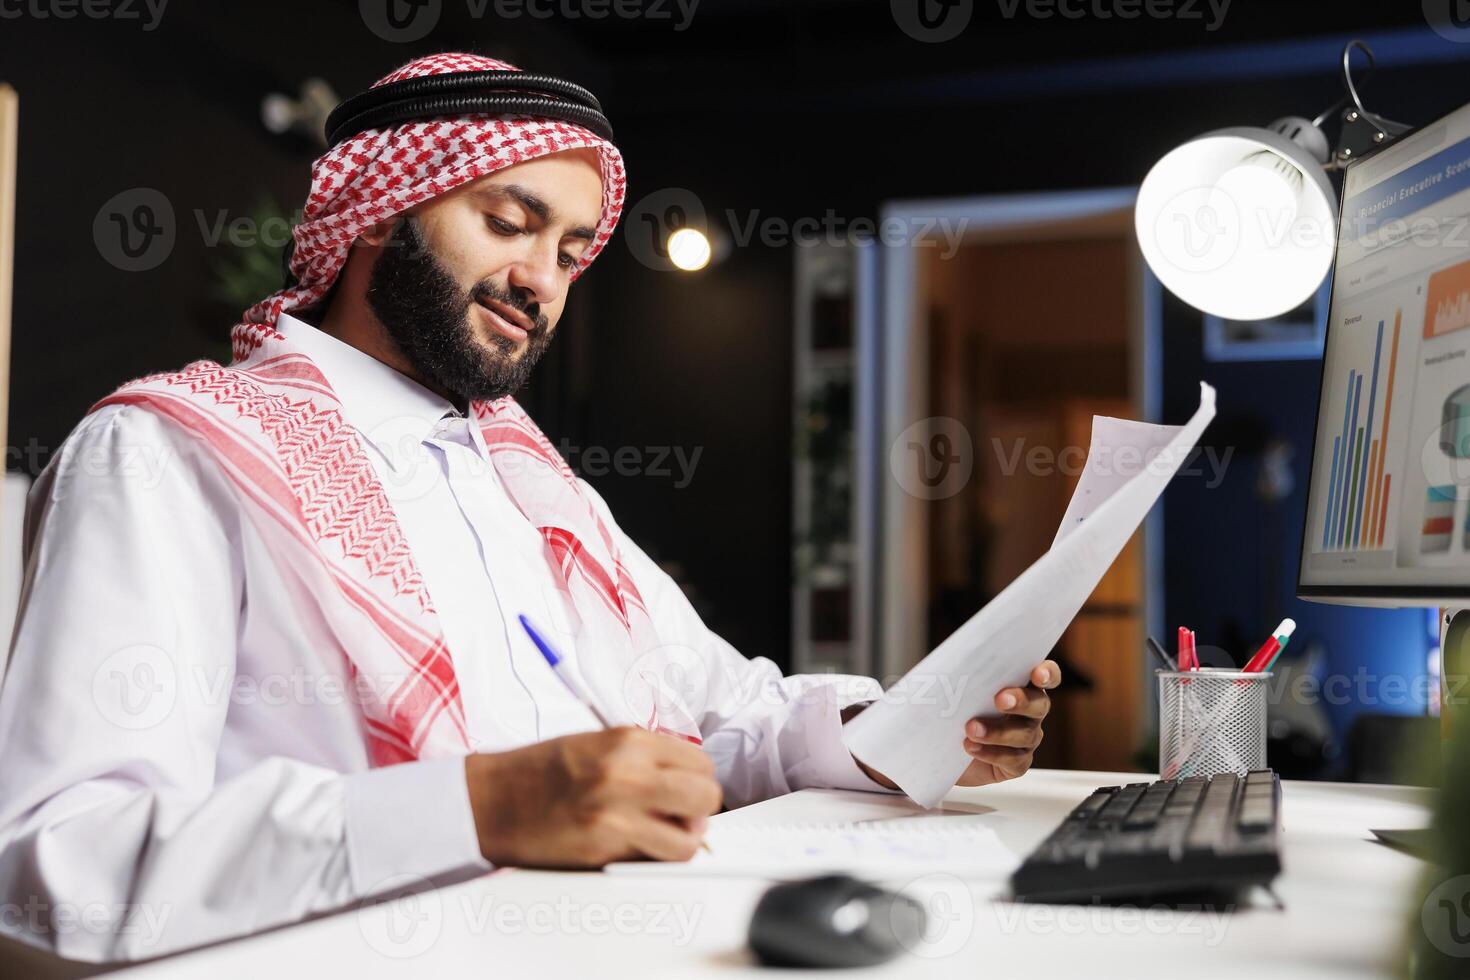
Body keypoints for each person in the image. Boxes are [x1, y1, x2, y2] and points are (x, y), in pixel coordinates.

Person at [0, 53, 1060, 962]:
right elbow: (53, 863)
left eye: (568, 252)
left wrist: (897, 734)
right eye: (510, 222)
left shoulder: (530, 478)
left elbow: (725, 714)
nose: (541, 281)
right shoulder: (163, 454)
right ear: (379, 210)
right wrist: (482, 805)